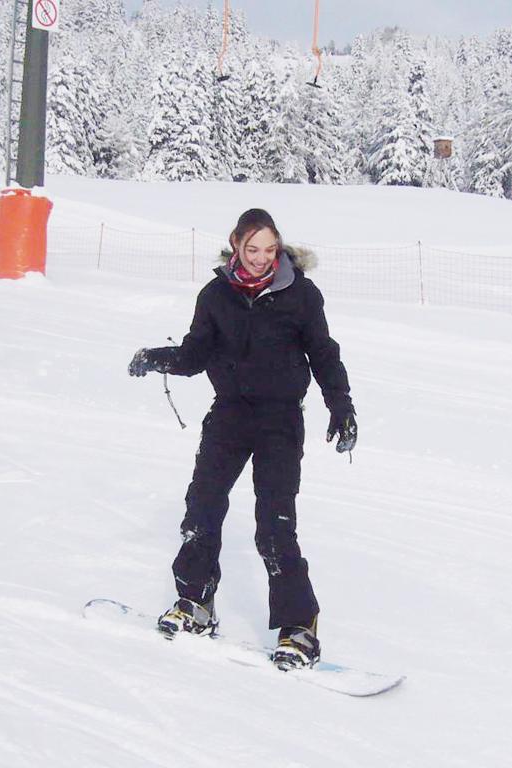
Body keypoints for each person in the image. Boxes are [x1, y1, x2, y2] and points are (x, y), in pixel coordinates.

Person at [128, 208, 357, 670]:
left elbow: (324, 355)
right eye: (252, 249)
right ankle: (194, 603)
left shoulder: (301, 295)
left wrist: (341, 405)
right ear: (236, 245)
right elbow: (196, 355)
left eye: (270, 250)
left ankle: (299, 628)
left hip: (279, 420)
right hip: (230, 415)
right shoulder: (215, 295)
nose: (261, 259)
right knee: (202, 509)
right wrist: (158, 357)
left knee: (274, 525)